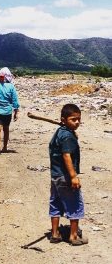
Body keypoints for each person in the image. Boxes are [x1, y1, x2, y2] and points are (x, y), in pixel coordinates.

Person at [49, 104, 88, 246]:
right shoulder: (67, 136)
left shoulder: (60, 132)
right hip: (65, 176)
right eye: (73, 119)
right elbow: (66, 156)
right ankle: (73, 236)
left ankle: (55, 233)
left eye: (79, 119)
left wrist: (72, 132)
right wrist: (73, 176)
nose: (77, 122)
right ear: (64, 120)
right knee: (75, 204)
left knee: (56, 203)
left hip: (55, 176)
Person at [0, 67, 19, 155]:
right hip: (7, 112)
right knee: (6, 130)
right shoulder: (11, 87)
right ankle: (4, 147)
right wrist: (16, 112)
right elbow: (15, 100)